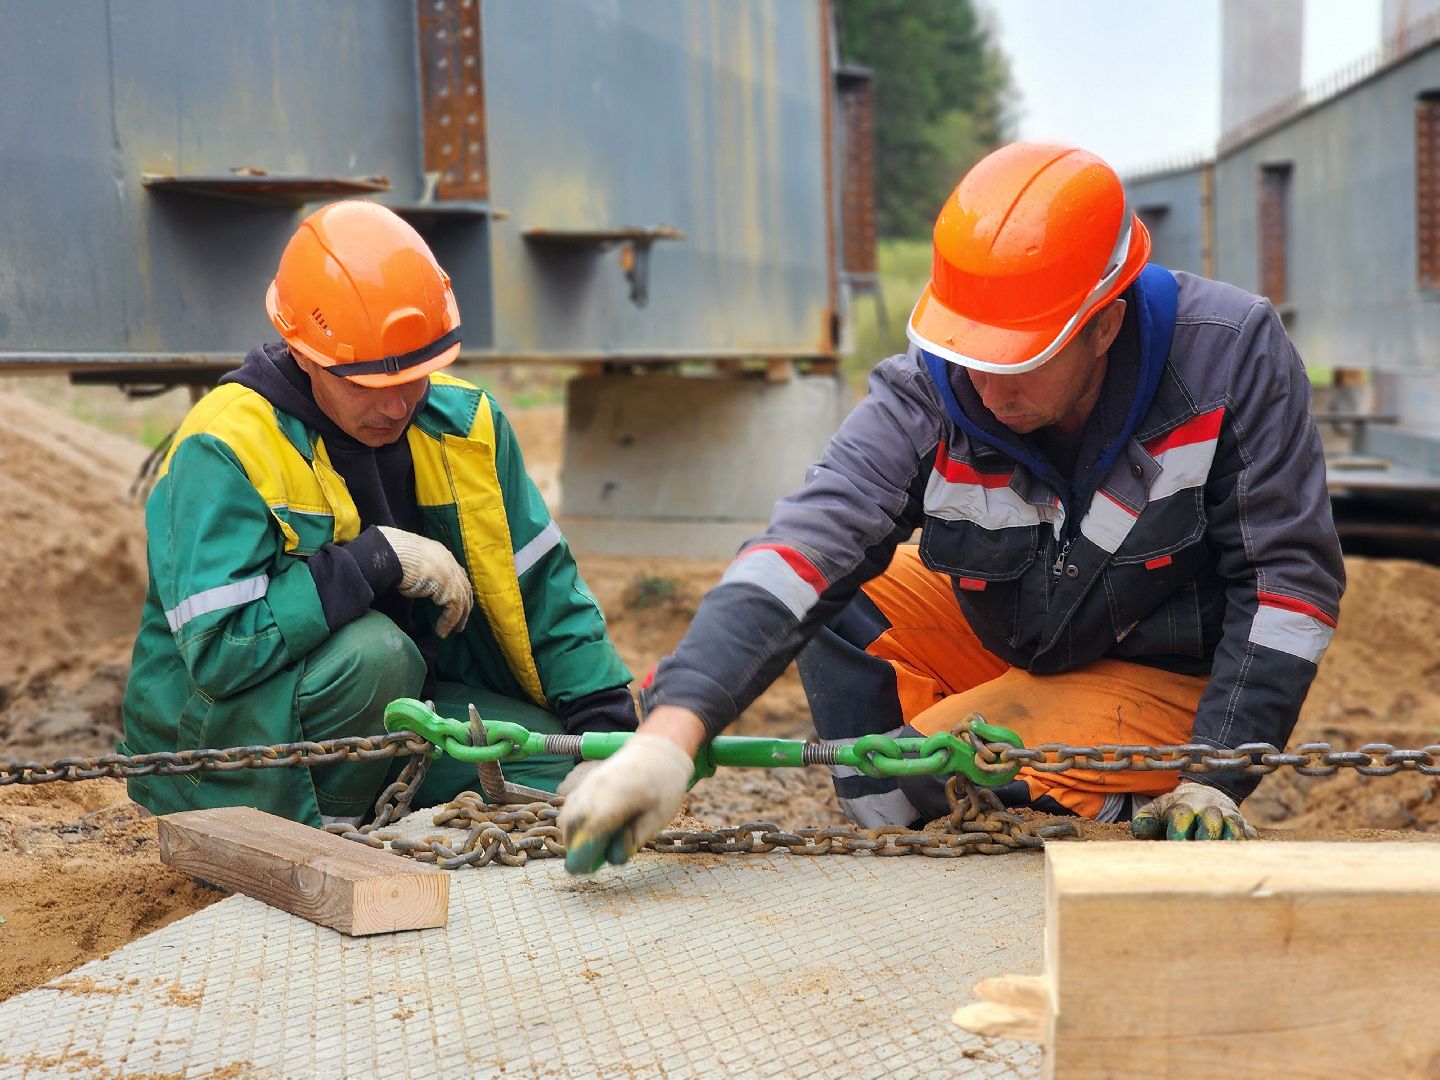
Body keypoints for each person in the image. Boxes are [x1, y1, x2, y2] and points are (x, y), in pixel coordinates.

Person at [560, 141, 1345, 868]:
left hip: (1167, 685)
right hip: (1022, 645)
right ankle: (904, 834)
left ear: (1104, 323)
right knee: (846, 626)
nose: (989, 388)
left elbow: (1287, 585)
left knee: (948, 762)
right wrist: (670, 734)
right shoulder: (931, 389)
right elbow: (803, 547)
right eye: (972, 352)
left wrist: (1216, 773)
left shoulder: (1228, 357)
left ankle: (1110, 805)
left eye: (1022, 359)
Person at [120, 201, 635, 826]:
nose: (397, 406)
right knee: (378, 655)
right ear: (304, 354)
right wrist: (373, 561)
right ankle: (331, 837)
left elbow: (542, 585)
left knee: (548, 759)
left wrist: (607, 729)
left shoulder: (467, 427)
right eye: (366, 384)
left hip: (399, 715)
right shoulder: (225, 446)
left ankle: (375, 796)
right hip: (228, 748)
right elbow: (222, 650)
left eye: (415, 376)